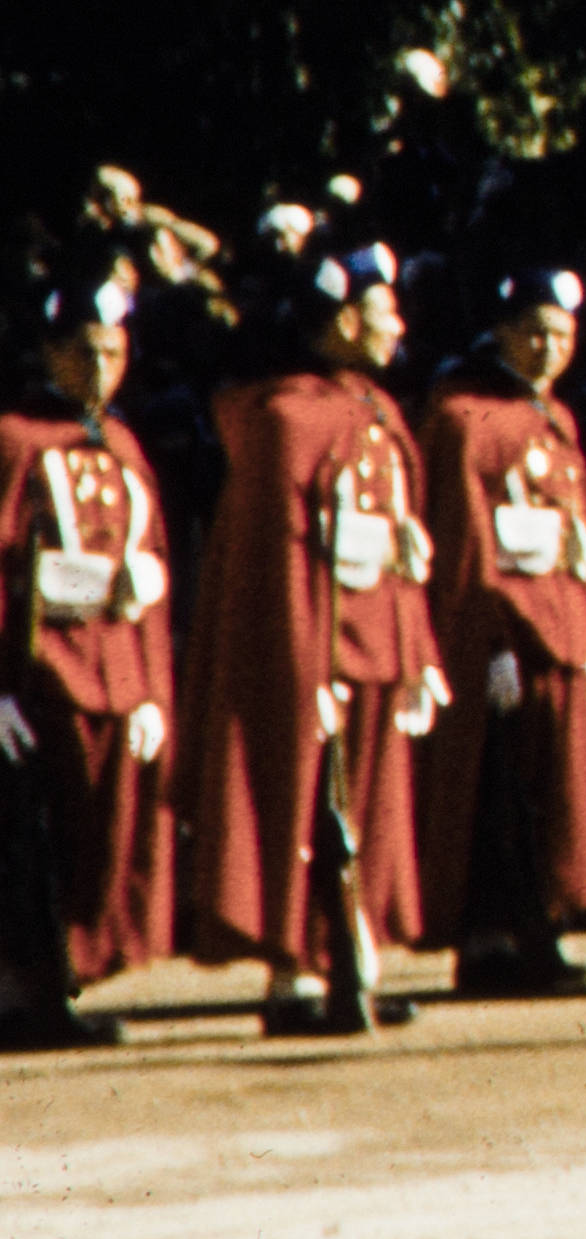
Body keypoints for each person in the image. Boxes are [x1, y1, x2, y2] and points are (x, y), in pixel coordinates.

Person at [180, 240, 438, 1039]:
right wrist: (300, 671)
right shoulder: (288, 420)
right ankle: (294, 975)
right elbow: (274, 564)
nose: (397, 325)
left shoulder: (380, 415)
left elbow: (401, 547)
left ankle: (348, 960)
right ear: (343, 317)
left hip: (376, 644)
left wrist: (419, 654)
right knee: (305, 811)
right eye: (383, 309)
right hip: (316, 650)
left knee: (368, 812)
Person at [411, 262, 586, 997]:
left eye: (562, 334)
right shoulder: (465, 417)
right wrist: (488, 642)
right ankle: (494, 937)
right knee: (499, 795)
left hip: (559, 627)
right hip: (506, 633)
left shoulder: (555, 419)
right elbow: (465, 541)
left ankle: (543, 926)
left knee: (555, 793)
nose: (548, 347)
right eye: (534, 332)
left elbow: (575, 543)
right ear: (502, 332)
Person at [5, 256, 180, 1047]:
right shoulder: (14, 439)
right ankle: (24, 993)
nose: (100, 368)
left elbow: (146, 573)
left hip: (113, 671)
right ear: (49, 353)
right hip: (40, 671)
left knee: (99, 838)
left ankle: (66, 981)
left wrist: (148, 685)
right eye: (83, 351)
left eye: (113, 351)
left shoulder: (125, 444)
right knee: (31, 834)